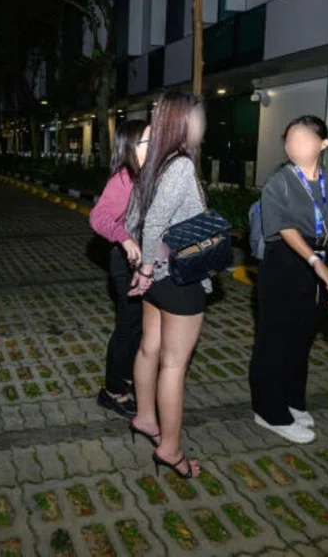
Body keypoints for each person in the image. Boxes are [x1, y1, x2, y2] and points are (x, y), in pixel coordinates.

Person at [248, 116, 328, 444]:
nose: (294, 145)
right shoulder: (279, 181)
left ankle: (292, 400)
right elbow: (284, 227)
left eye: (303, 138)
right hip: (285, 264)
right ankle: (268, 410)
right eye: (289, 139)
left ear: (324, 144)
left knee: (302, 339)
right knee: (273, 339)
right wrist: (314, 263)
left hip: (320, 263)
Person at [125, 91, 207, 479]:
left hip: (156, 278)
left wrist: (145, 268)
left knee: (149, 348)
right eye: (198, 118)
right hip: (177, 275)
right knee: (174, 364)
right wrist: (149, 268)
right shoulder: (180, 166)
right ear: (183, 122)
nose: (202, 125)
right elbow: (154, 221)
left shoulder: (152, 162)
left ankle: (144, 417)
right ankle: (170, 449)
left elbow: (132, 220)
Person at [89, 120, 149, 418]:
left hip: (143, 264)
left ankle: (128, 378)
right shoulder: (124, 178)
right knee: (128, 327)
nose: (156, 145)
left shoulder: (146, 175)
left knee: (139, 328)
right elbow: (99, 217)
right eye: (148, 141)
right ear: (131, 146)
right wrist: (124, 238)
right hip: (126, 263)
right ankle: (113, 391)